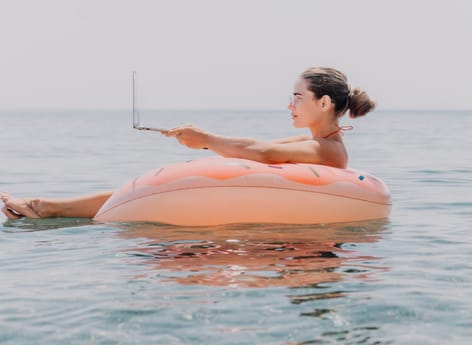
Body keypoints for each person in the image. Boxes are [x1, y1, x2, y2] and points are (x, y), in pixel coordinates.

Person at [1, 67, 376, 220]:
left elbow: (263, 154)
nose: (290, 105)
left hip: (293, 254)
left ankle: (45, 208)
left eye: (297, 97)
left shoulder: (325, 150)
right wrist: (201, 142)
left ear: (323, 103)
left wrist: (206, 139)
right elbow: (258, 145)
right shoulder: (320, 141)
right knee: (133, 192)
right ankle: (46, 206)